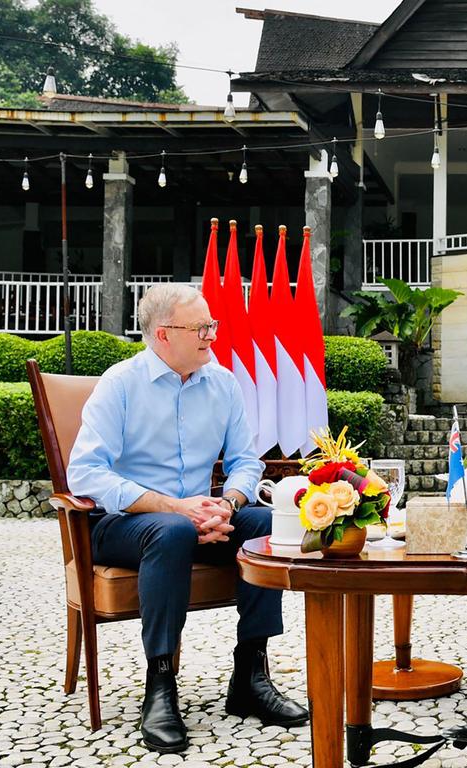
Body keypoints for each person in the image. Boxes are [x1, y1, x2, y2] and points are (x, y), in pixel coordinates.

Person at [68, 284, 308, 754]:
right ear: (163, 334)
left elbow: (245, 460)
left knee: (263, 523)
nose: (211, 335)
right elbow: (85, 472)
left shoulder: (222, 383)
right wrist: (175, 507)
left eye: (212, 325)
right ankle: (159, 686)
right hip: (121, 524)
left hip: (199, 518)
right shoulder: (119, 383)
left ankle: (250, 676)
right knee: (173, 528)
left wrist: (230, 503)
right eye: (201, 327)